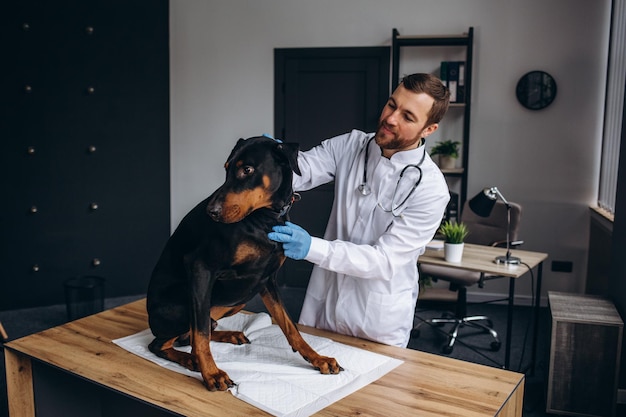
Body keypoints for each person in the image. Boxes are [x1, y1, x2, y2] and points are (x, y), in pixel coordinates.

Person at [268, 73, 451, 348]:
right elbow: (300, 172)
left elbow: (384, 260)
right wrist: (271, 160)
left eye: (408, 117)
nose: (390, 118)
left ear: (429, 129)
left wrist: (312, 248)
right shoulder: (351, 145)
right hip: (324, 304)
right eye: (392, 105)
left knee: (375, 390)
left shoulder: (431, 189)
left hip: (377, 318)